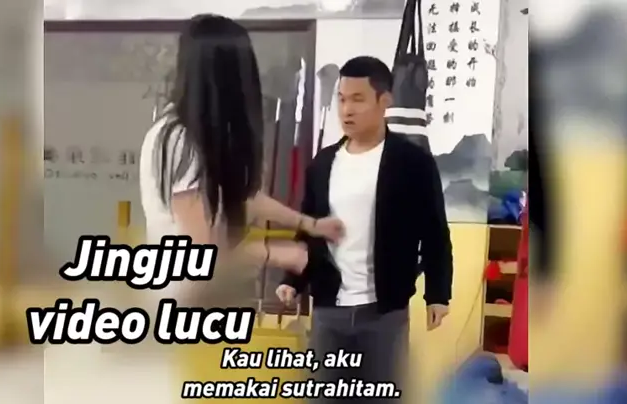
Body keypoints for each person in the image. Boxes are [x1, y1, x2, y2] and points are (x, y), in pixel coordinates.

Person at [277, 56, 453, 402]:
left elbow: (435, 232)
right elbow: (308, 229)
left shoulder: (412, 163)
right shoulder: (322, 164)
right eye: (342, 99)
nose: (347, 110)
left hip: (384, 311)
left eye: (358, 99)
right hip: (329, 309)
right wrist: (292, 280)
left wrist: (438, 293)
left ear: (384, 101)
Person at [139, 14, 344, 303]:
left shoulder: (202, 136)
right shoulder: (179, 140)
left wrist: (310, 224)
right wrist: (272, 252)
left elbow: (244, 198)